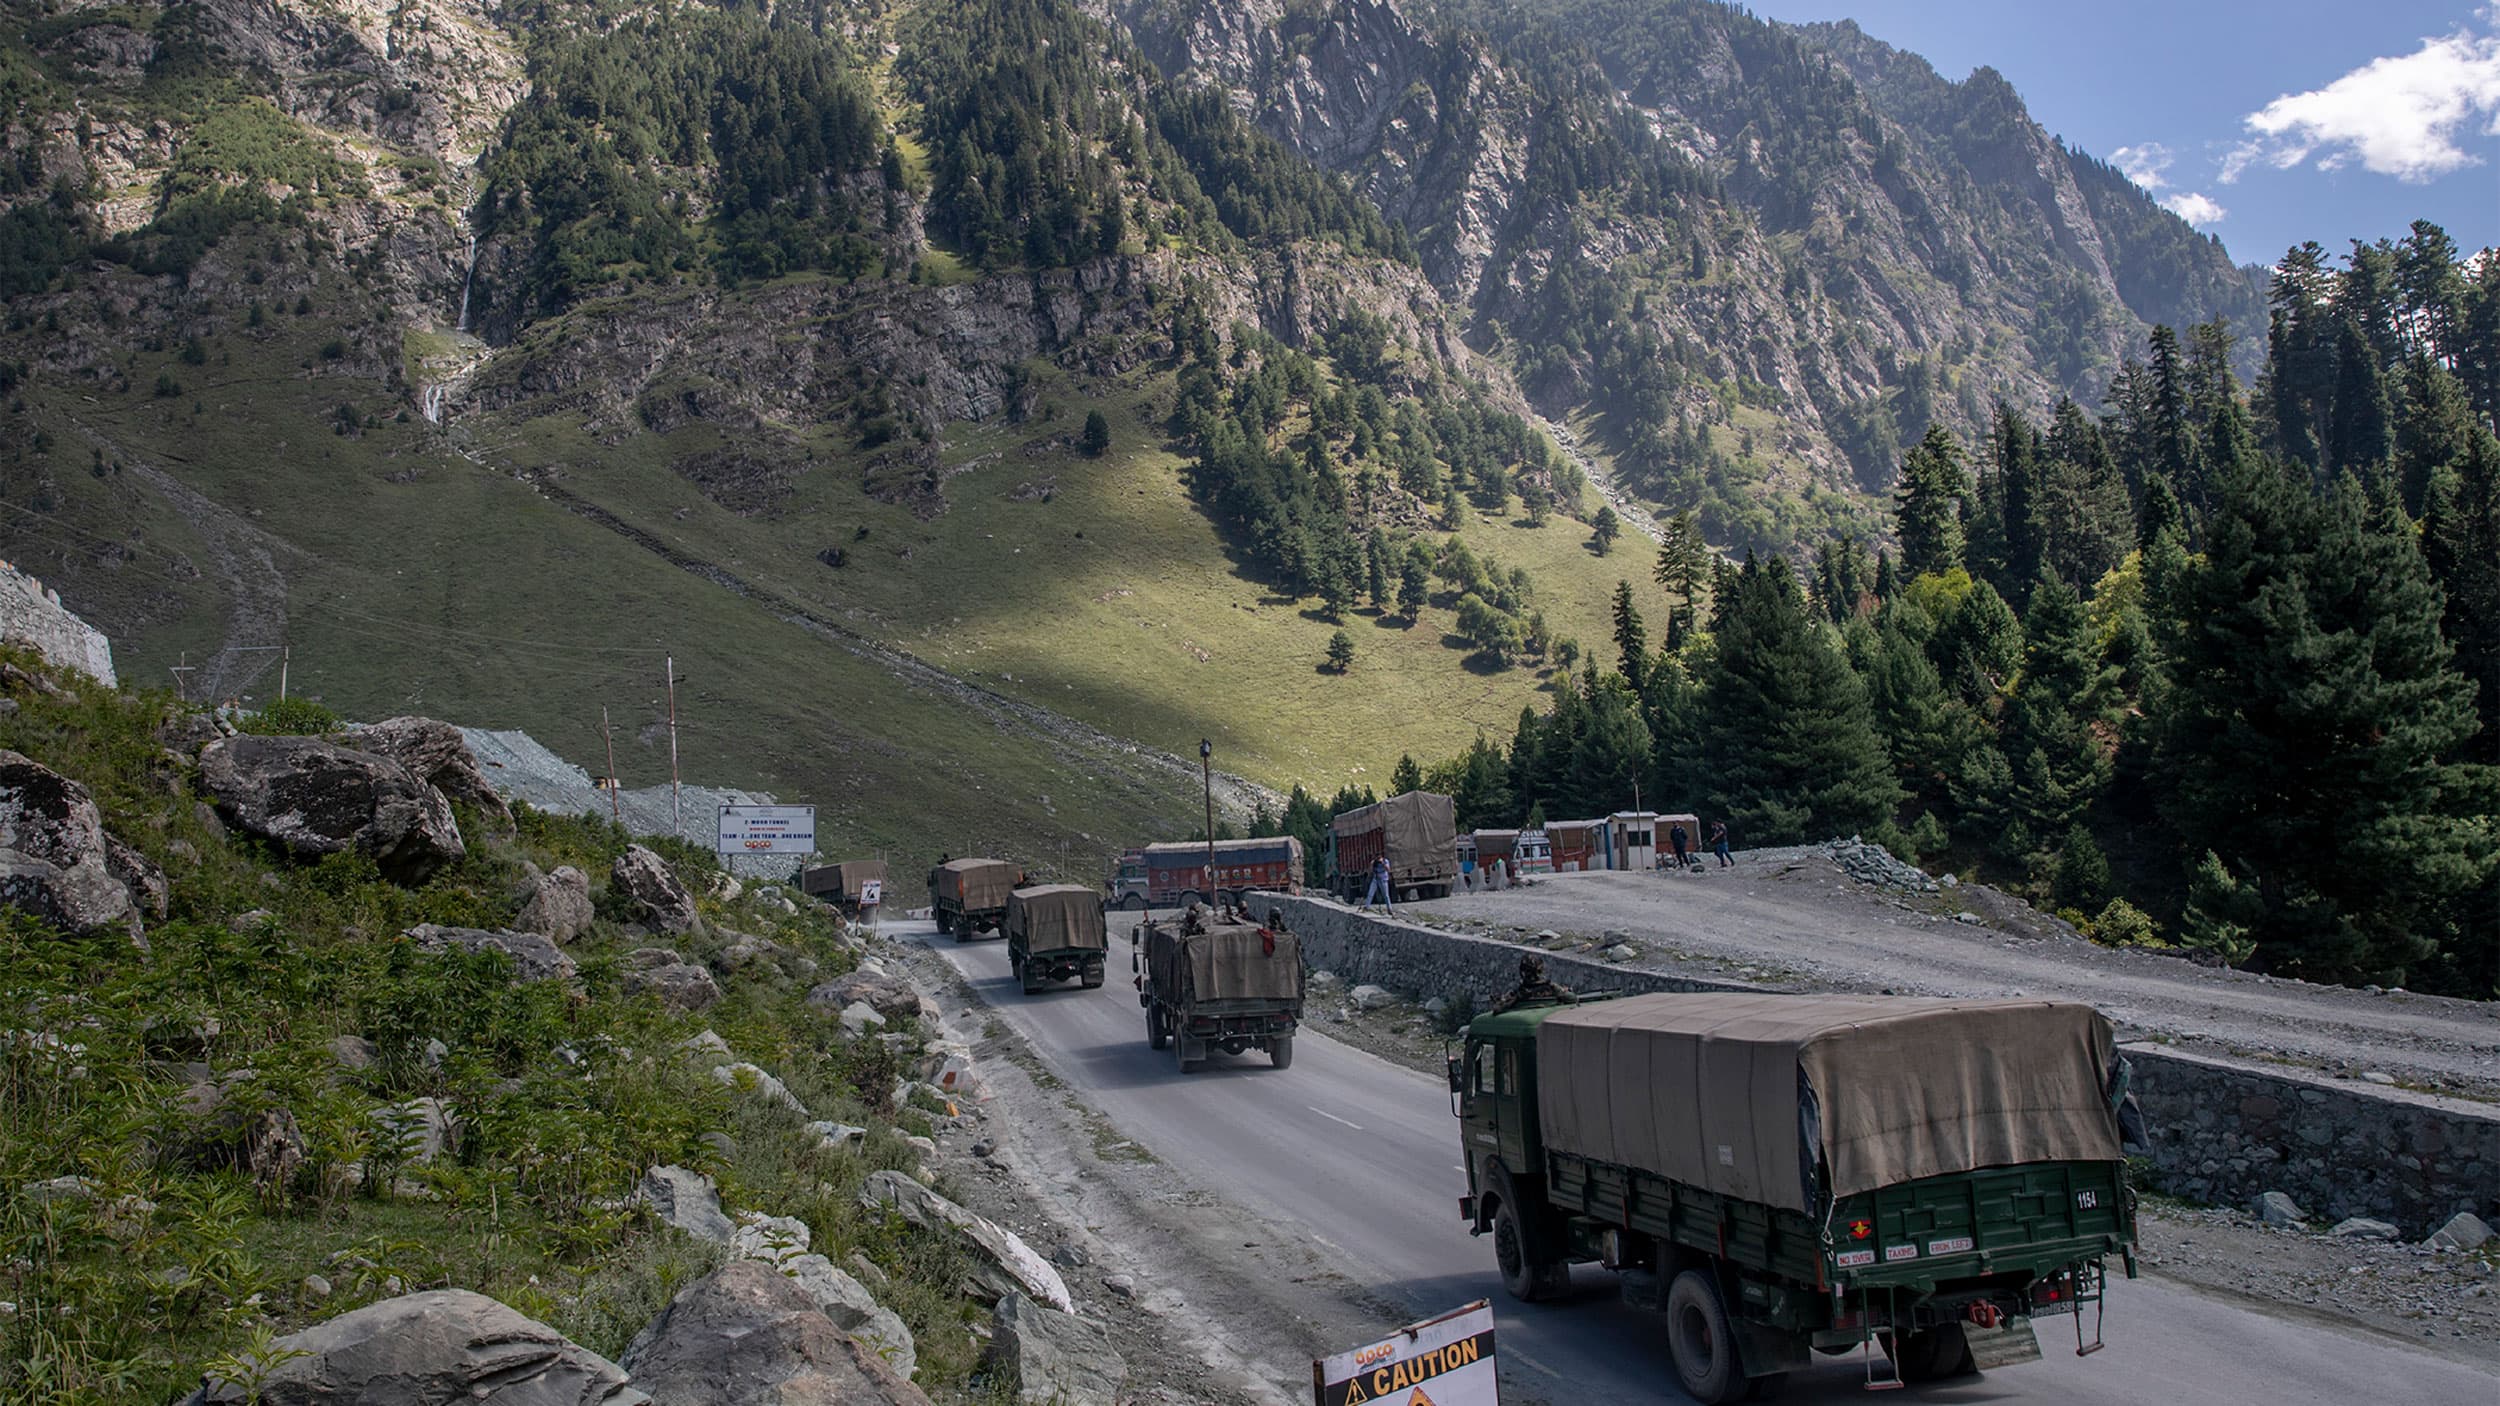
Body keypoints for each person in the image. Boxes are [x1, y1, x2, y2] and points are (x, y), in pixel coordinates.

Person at [1489, 953, 1576, 1013]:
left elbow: (1498, 1008)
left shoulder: (1518, 993)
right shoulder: (1552, 988)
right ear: (1541, 970)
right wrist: (1564, 991)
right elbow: (1572, 998)